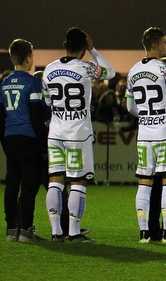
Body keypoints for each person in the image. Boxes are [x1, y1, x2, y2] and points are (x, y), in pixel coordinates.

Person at [42, 28, 114, 243]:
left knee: (55, 179)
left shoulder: (49, 69)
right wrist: (93, 49)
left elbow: (48, 101)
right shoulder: (86, 67)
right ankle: (73, 232)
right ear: (84, 47)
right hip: (77, 133)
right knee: (78, 180)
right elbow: (109, 72)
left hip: (55, 132)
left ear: (65, 44)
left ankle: (56, 233)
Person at [126, 27, 166, 244]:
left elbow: (130, 107)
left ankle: (144, 233)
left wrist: (146, 115)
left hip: (145, 133)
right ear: (154, 45)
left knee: (145, 182)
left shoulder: (133, 71)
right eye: (165, 42)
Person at [0, 39, 46, 242]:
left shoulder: (5, 83)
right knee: (28, 185)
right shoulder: (33, 82)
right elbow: (36, 115)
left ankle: (11, 228)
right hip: (28, 138)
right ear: (28, 58)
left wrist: (5, 143)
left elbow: (0, 117)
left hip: (10, 138)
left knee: (12, 183)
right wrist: (42, 146)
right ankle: (26, 229)